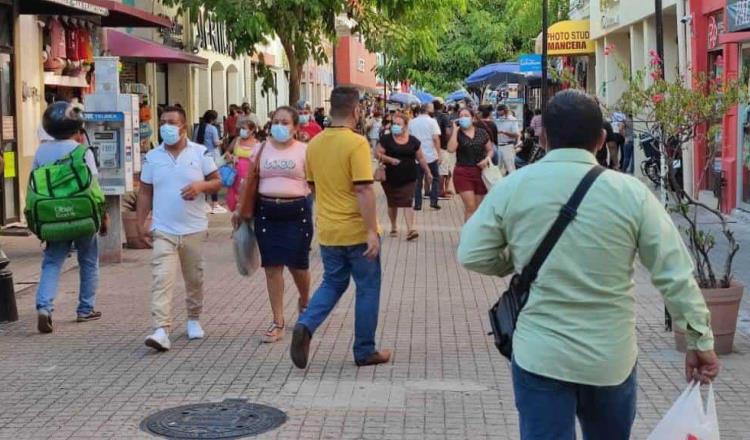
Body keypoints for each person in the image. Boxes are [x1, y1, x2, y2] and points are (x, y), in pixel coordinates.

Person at [458, 89, 719, 440]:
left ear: (543, 135)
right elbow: (674, 274)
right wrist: (699, 339)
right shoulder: (632, 193)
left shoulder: (514, 187)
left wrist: (513, 259)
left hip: (540, 354)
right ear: (600, 139)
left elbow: (472, 252)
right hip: (610, 358)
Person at [291, 86, 390, 369]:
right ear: (357, 111)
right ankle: (364, 350)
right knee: (368, 287)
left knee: (333, 282)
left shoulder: (315, 144)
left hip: (328, 230)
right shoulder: (356, 143)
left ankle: (306, 324)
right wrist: (371, 230)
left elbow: (312, 185)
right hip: (356, 230)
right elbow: (363, 190)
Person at [138, 106, 222, 351]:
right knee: (161, 278)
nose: (166, 126)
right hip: (163, 228)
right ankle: (161, 329)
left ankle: (194, 318)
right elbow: (145, 191)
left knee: (194, 277)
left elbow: (217, 180)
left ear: (183, 126)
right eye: (163, 121)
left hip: (193, 227)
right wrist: (142, 222)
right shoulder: (153, 156)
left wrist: (200, 187)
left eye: (171, 122)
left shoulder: (200, 152)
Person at [233, 106, 312, 343]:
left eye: (285, 122)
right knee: (272, 266)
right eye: (276, 121)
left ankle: (305, 301)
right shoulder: (261, 149)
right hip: (267, 212)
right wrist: (240, 208)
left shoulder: (305, 151)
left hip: (297, 211)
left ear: (296, 127)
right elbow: (249, 180)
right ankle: (278, 321)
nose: (280, 126)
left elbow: (315, 182)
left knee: (298, 265)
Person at [33, 101, 106, 333]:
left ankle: (44, 307)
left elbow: (34, 187)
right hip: (82, 214)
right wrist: (102, 215)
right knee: (88, 260)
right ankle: (85, 309)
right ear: (77, 127)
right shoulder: (81, 152)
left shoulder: (41, 152)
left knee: (52, 261)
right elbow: (93, 186)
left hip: (53, 216)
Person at [376, 113, 432, 240]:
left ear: (405, 126)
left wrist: (428, 172)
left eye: (398, 124)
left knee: (408, 201)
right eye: (393, 124)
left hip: (409, 177)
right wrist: (390, 159)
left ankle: (411, 230)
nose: (395, 126)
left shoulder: (413, 141)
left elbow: (421, 158)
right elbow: (377, 154)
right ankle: (394, 225)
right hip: (390, 177)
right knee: (392, 203)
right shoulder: (386, 139)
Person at [447, 108, 494, 221]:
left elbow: (490, 150)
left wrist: (487, 159)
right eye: (461, 115)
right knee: (470, 206)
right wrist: (455, 130)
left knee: (478, 208)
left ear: (472, 118)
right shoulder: (458, 133)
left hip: (480, 172)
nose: (463, 118)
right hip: (463, 171)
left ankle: (475, 234)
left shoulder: (481, 132)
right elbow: (450, 149)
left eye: (466, 115)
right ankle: (467, 235)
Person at [408, 104, 442, 210]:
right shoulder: (432, 121)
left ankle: (418, 204)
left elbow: (409, 138)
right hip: (431, 155)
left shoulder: (412, 122)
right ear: (428, 110)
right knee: (435, 178)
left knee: (418, 181)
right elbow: (436, 139)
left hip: (417, 156)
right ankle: (433, 201)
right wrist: (439, 153)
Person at [193, 110, 226, 214]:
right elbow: (216, 143)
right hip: (212, 157)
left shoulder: (198, 128)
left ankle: (204, 203)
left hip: (200, 156)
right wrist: (222, 141)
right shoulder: (212, 129)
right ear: (213, 119)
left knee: (203, 180)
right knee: (214, 180)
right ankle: (215, 204)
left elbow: (194, 141)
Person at [226, 116, 259, 212]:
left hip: (249, 176)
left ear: (252, 130)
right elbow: (227, 152)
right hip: (235, 175)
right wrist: (230, 156)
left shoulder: (257, 144)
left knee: (247, 199)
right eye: (241, 128)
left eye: (244, 128)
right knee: (235, 200)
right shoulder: (237, 140)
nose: (242, 131)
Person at [433, 100, 454, 199]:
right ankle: (440, 191)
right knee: (443, 170)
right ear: (441, 106)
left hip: (431, 147)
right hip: (442, 147)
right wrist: (448, 141)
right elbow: (448, 132)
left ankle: (434, 190)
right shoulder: (443, 116)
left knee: (437, 170)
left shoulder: (429, 116)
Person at [495, 104, 520, 174]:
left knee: (510, 168)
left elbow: (516, 135)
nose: (499, 114)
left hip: (508, 146)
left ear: (505, 111)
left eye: (500, 112)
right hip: (498, 146)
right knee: (498, 170)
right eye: (498, 112)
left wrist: (504, 132)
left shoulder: (512, 120)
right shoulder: (497, 120)